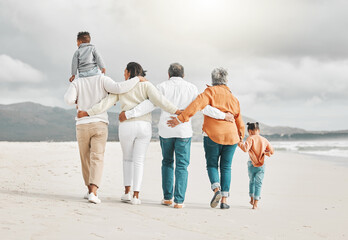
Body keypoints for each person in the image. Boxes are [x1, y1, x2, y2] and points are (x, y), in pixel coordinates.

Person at [118, 63, 235, 208]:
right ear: (183, 75)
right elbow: (203, 108)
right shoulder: (191, 88)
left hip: (166, 130)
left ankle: (167, 198)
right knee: (182, 166)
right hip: (183, 131)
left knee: (167, 162)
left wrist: (129, 114)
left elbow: (149, 104)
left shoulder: (161, 86)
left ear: (168, 74)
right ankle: (179, 201)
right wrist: (224, 116)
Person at [77, 62, 181, 205]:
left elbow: (105, 104)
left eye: (124, 71)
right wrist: (176, 111)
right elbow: (160, 101)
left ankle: (126, 192)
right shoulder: (147, 85)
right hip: (144, 126)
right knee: (139, 160)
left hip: (126, 126)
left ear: (129, 71)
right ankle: (136, 196)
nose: (123, 74)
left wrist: (88, 112)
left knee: (127, 159)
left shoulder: (123, 87)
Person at [64, 65, 144, 204]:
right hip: (99, 123)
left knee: (85, 158)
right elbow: (119, 88)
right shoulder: (103, 79)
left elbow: (68, 100)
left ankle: (89, 189)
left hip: (82, 124)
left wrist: (77, 99)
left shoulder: (77, 82)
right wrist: (137, 78)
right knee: (97, 157)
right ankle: (93, 193)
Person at [167, 67, 245, 209]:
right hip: (231, 136)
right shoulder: (234, 98)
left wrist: (180, 119)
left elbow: (195, 106)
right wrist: (241, 136)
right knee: (226, 167)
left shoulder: (209, 92)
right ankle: (225, 201)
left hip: (212, 134)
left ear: (212, 80)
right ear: (226, 80)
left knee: (212, 165)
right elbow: (239, 119)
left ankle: (217, 190)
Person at [238, 122, 274, 209]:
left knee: (251, 181)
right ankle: (255, 204)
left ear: (249, 131)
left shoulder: (250, 138)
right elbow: (271, 151)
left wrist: (239, 143)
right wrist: (265, 153)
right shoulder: (264, 140)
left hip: (251, 164)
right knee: (259, 184)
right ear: (259, 130)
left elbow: (245, 149)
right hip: (261, 165)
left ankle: (251, 199)